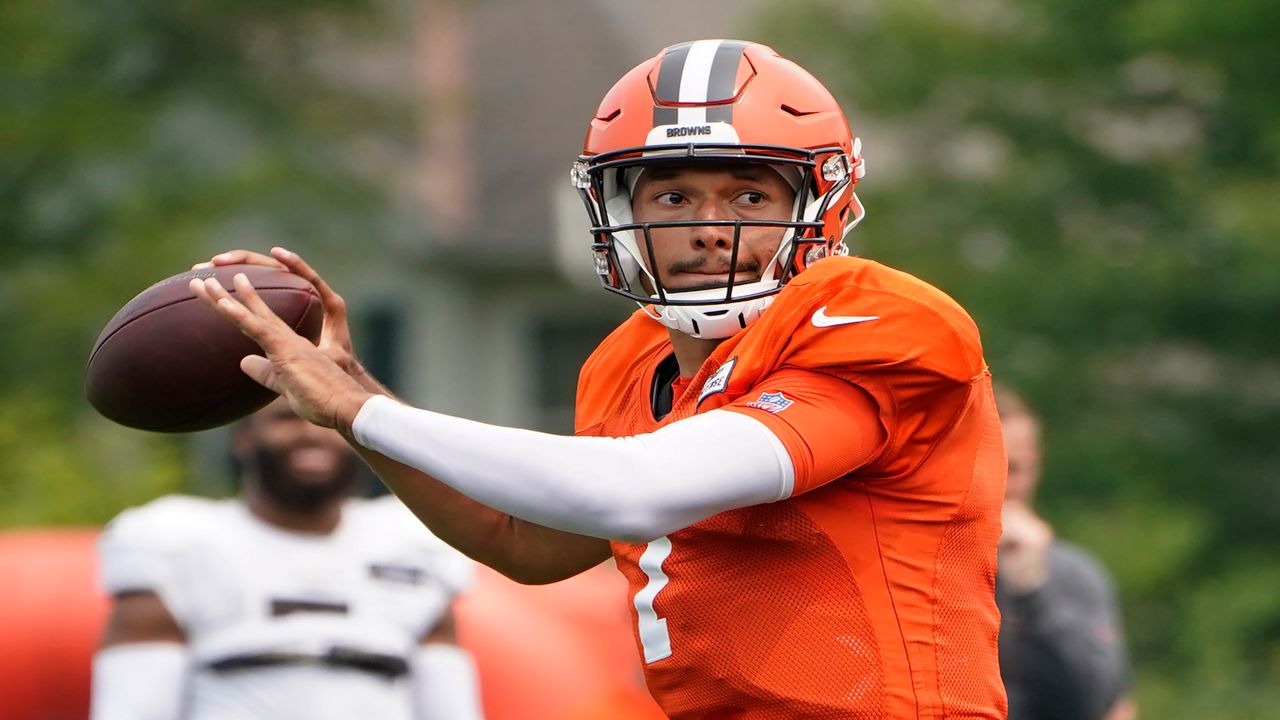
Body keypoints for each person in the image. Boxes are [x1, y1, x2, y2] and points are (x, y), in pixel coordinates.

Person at [191, 39, 1008, 718]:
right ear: (615, 215)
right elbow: (525, 541)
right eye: (676, 196)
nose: (710, 229)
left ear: (823, 201)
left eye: (749, 195)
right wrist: (356, 400)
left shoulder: (881, 321)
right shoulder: (631, 358)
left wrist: (362, 411)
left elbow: (637, 491)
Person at [91, 398, 484, 720]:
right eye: (286, 419)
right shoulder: (177, 542)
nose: (311, 434)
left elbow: (450, 708)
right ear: (243, 438)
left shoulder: (412, 542)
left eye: (328, 420)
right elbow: (133, 707)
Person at [995, 386, 1137, 720]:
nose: (1000, 484)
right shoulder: (920, 569)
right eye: (989, 467)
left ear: (1035, 467)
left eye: (1013, 469)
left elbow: (1103, 705)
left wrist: (1033, 594)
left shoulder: (1071, 574)